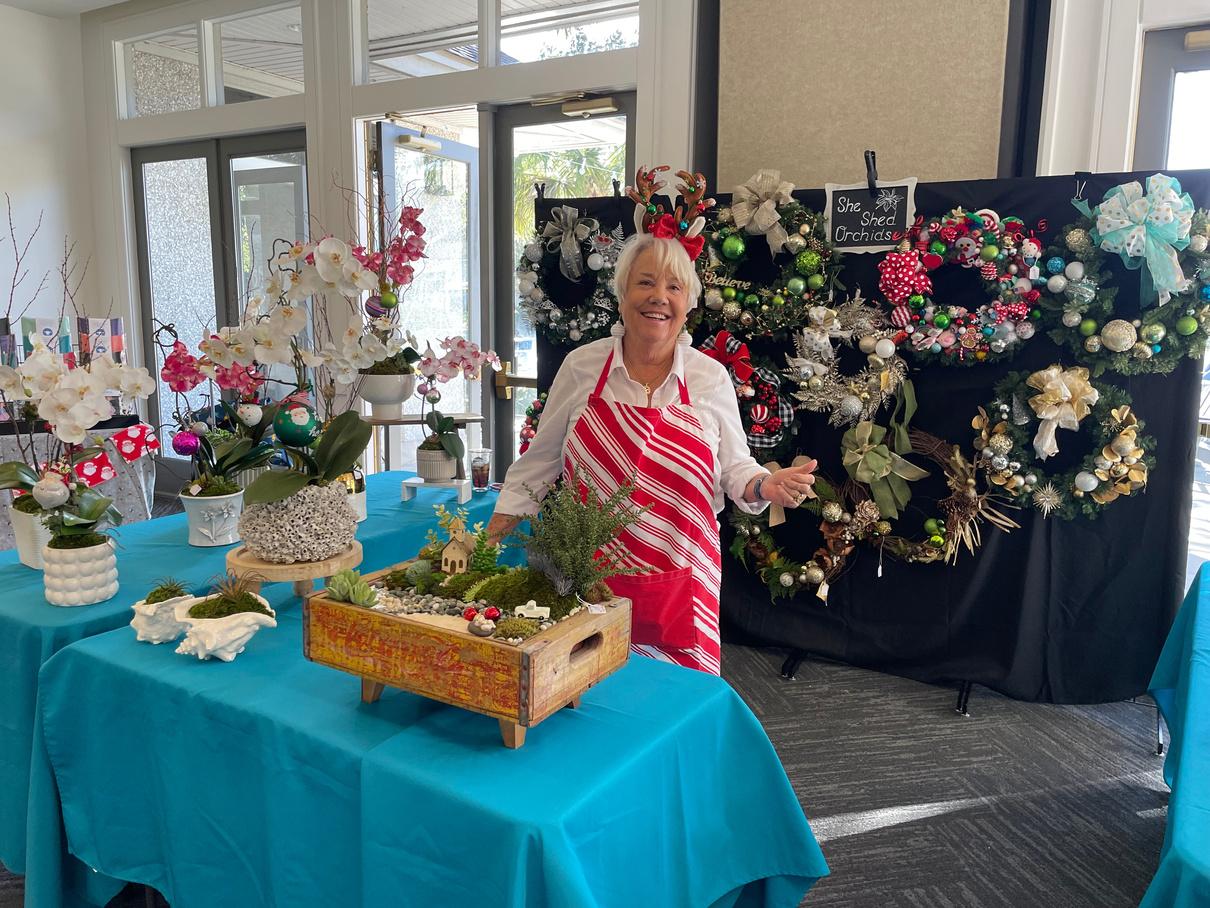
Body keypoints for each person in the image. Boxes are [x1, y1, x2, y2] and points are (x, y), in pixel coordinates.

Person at [487, 170, 816, 675]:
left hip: (684, 582)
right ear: (622, 295)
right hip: (588, 580)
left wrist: (764, 485)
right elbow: (539, 465)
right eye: (644, 283)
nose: (658, 296)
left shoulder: (708, 378)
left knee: (675, 701)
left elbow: (735, 468)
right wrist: (492, 537)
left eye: (674, 287)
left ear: (688, 305)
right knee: (588, 694)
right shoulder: (582, 367)